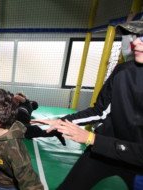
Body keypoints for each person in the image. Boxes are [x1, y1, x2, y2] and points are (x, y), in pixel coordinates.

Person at [32, 20, 143, 190]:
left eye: (142, 38)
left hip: (136, 163)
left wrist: (92, 139)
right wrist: (63, 121)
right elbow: (100, 110)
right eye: (136, 36)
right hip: (102, 152)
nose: (135, 42)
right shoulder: (124, 71)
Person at [0, 92, 66, 145]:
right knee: (29, 132)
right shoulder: (26, 106)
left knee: (4, 120)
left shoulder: (27, 102)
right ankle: (55, 133)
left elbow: (20, 98)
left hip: (20, 116)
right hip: (22, 119)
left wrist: (12, 97)